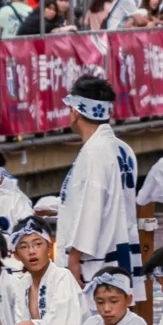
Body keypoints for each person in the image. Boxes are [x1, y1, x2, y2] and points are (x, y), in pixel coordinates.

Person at [55, 75, 141, 281]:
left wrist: (74, 259)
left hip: (97, 262)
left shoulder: (94, 152)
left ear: (75, 112)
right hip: (121, 250)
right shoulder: (123, 149)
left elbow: (90, 207)